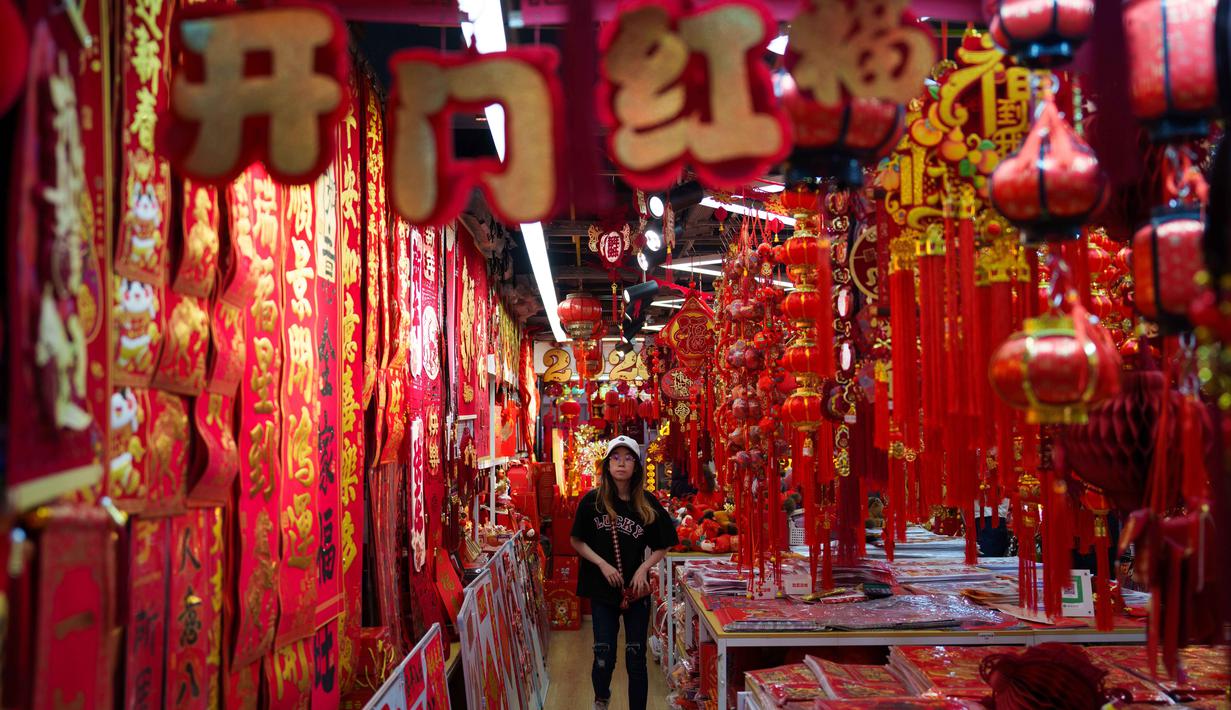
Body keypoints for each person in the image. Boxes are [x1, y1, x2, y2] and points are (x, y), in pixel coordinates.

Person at [571, 435, 679, 710]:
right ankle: (601, 697)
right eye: (616, 458)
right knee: (603, 654)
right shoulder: (591, 502)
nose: (621, 464)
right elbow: (577, 540)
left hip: (636, 591)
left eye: (628, 458)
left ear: (636, 467)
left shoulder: (646, 504)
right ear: (607, 465)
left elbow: (664, 543)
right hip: (601, 588)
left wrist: (645, 567)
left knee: (636, 656)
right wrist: (602, 563)